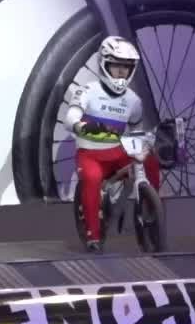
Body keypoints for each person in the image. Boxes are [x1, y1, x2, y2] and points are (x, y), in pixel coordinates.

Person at [66, 36, 161, 253]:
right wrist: (83, 126)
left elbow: (136, 133)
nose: (121, 72)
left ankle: (152, 209)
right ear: (104, 64)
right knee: (92, 178)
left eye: (126, 67)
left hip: (117, 153)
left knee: (150, 160)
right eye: (116, 66)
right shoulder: (87, 90)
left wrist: (148, 144)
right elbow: (70, 119)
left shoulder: (134, 101)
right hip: (90, 154)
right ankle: (93, 236)